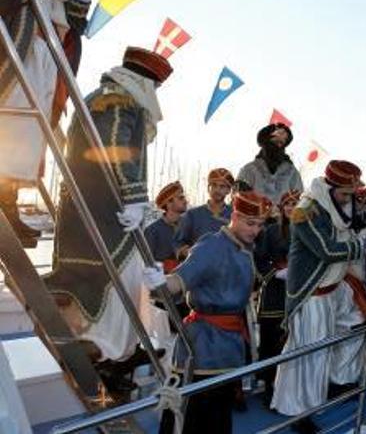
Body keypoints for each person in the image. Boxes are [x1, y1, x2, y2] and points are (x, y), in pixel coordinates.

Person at [43, 47, 173, 365]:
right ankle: (110, 350)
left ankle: (120, 348)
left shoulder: (105, 96)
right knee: (119, 278)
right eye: (154, 86)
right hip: (106, 207)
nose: (155, 94)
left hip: (97, 204)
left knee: (122, 276)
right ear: (144, 81)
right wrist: (135, 196)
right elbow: (114, 148)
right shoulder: (118, 100)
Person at [143, 190, 273, 434]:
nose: (255, 230)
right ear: (234, 216)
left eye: (260, 225)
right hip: (203, 348)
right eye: (250, 223)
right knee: (196, 417)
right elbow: (180, 281)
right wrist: (159, 282)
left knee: (218, 415)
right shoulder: (212, 245)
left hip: (229, 344)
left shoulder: (244, 248)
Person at [0, 0, 91, 246]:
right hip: (20, 51)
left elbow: (74, 23)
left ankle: (8, 205)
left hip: (45, 59)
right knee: (12, 127)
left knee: (29, 134)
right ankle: (5, 205)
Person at [271, 160, 366, 434]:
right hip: (313, 294)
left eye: (351, 194)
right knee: (311, 352)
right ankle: (300, 410)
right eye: (345, 194)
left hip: (336, 289)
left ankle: (340, 377)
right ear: (330, 187)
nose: (348, 199)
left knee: (357, 324)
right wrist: (359, 246)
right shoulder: (306, 212)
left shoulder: (340, 209)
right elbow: (327, 250)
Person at [253, 188, 300, 406]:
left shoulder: (306, 230)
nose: (292, 208)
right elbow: (259, 259)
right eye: (288, 204)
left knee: (294, 340)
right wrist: (275, 273)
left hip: (299, 293)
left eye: (296, 204)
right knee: (271, 341)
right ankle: (269, 386)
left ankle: (290, 386)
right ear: (282, 208)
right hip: (273, 293)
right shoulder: (270, 231)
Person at [237, 122, 303, 205]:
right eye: (275, 141)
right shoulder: (249, 169)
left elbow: (299, 201)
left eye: (281, 143)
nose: (277, 146)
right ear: (266, 141)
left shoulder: (292, 172)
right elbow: (239, 198)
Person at [174, 167, 233, 257]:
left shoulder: (235, 216)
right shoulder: (192, 215)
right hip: (198, 266)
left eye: (222, 186)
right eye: (214, 185)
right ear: (208, 188)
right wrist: (184, 251)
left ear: (228, 190)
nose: (217, 190)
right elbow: (177, 243)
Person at [144, 181, 187, 272]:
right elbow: (148, 265)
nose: (185, 201)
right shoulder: (152, 231)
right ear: (169, 203)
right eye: (181, 198)